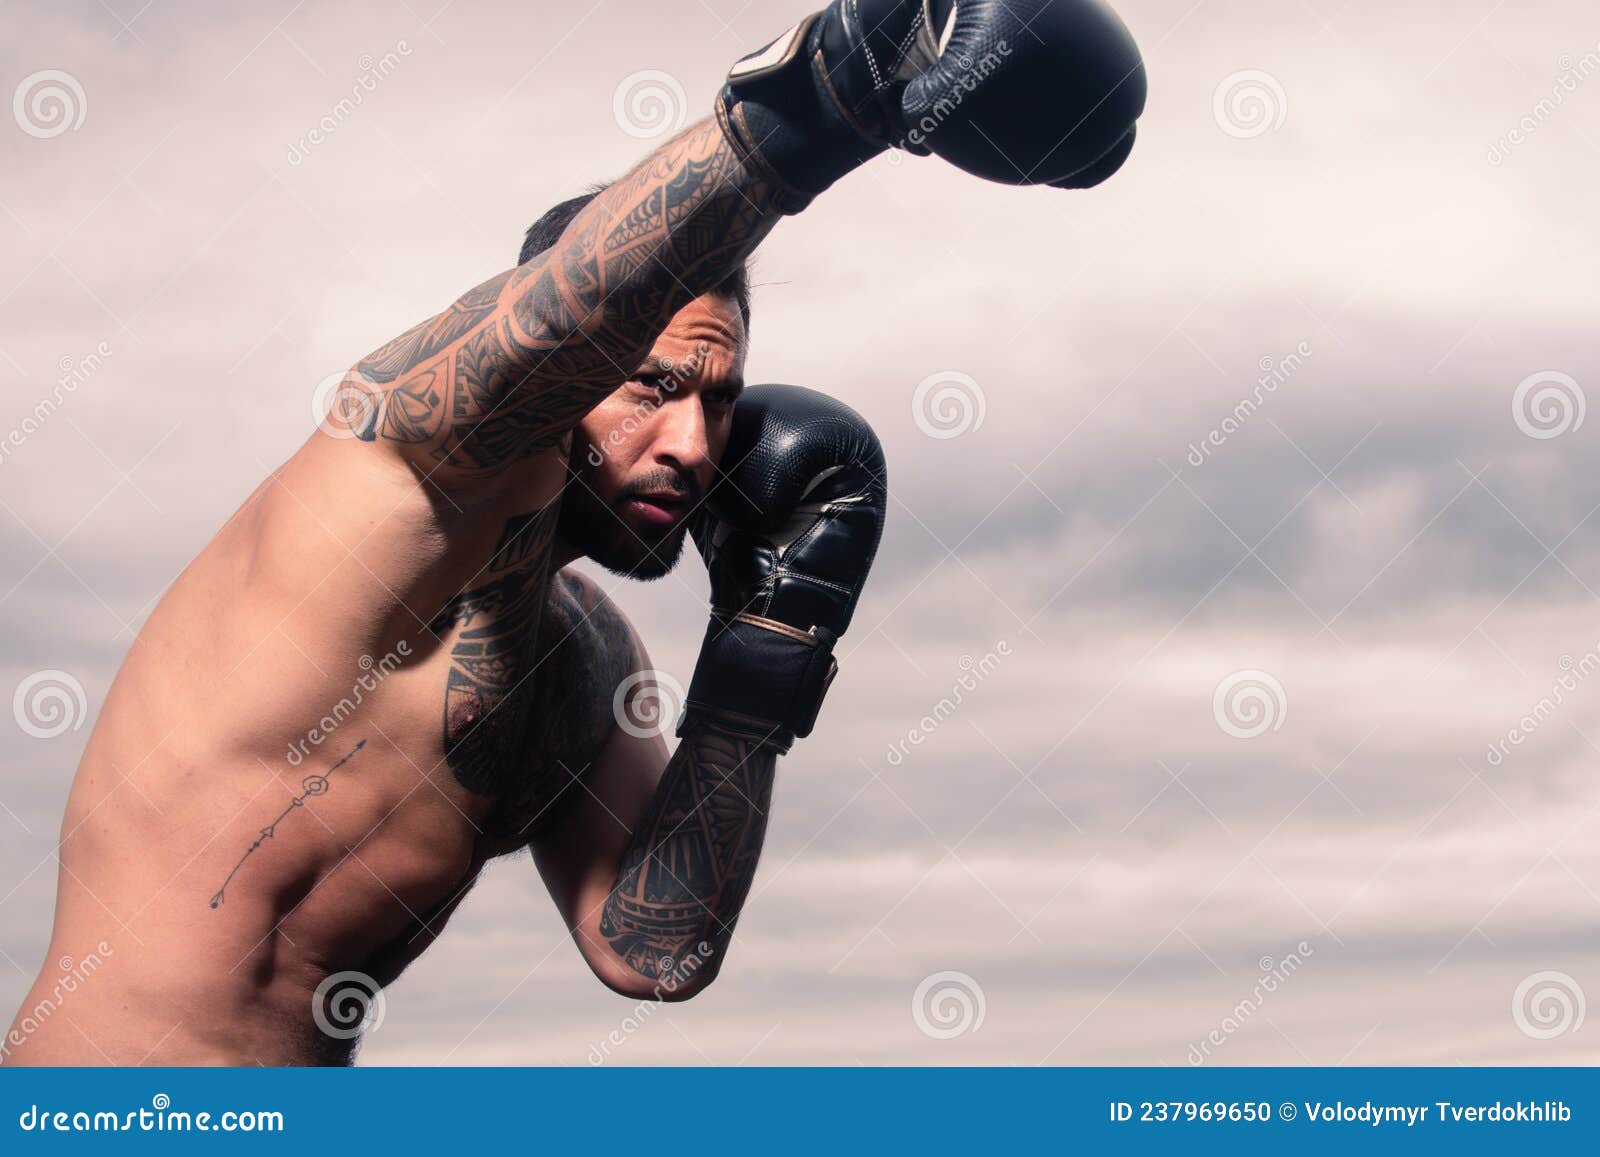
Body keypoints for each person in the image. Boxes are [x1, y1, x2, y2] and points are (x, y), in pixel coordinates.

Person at [4, 0, 1144, 1064]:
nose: (696, 446)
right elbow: (553, 325)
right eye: (651, 387)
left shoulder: (587, 662)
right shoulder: (377, 494)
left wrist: (762, 648)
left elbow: (652, 950)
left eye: (721, 401)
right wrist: (827, 102)